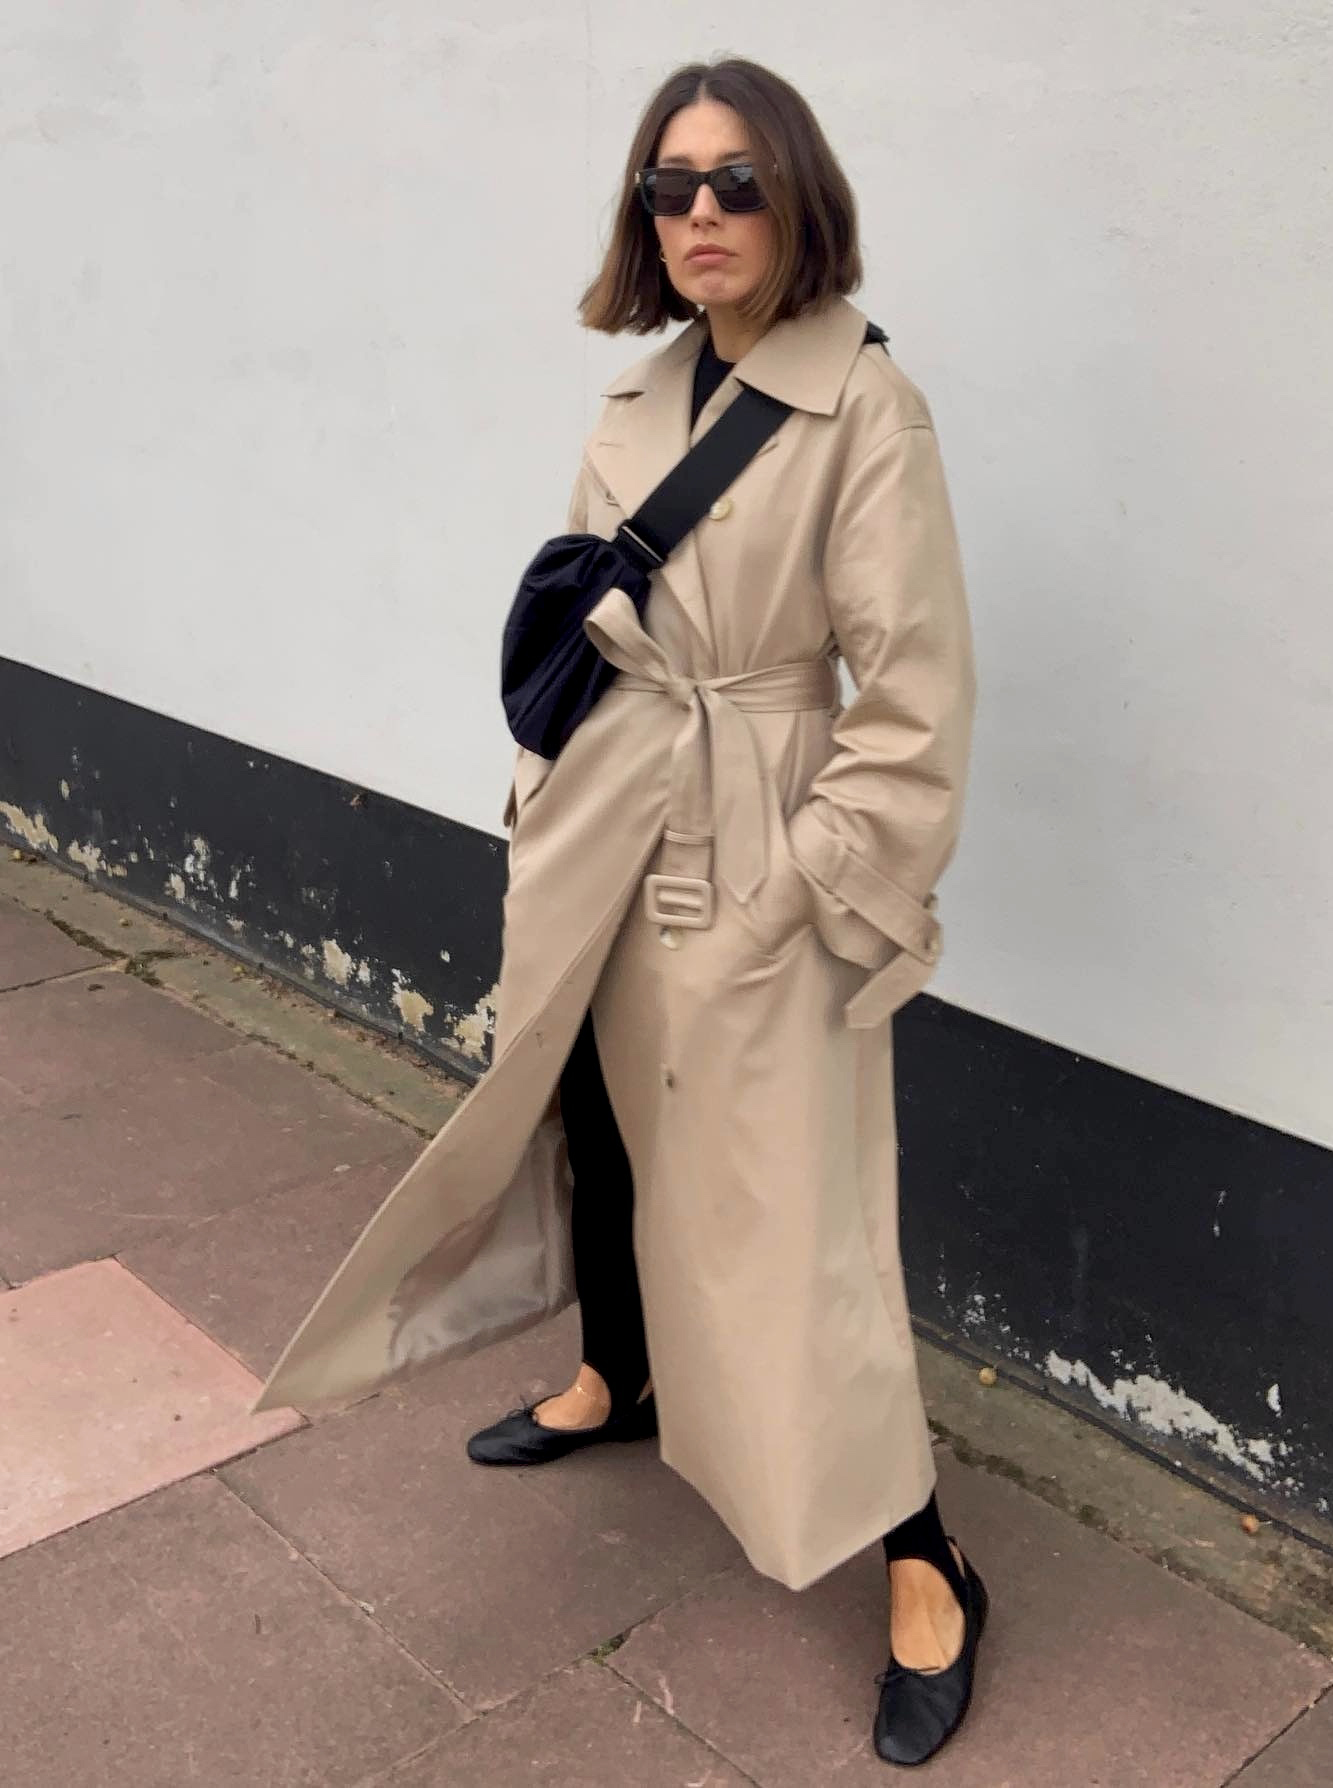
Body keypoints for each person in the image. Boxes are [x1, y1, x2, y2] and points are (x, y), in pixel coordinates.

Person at [462, 57, 984, 1768]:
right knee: (604, 1131)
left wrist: (812, 896)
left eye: (737, 181)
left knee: (805, 1220)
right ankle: (621, 1376)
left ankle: (926, 1554)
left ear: (798, 196)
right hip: (611, 818)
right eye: (670, 187)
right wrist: (545, 810)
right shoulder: (631, 407)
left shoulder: (867, 408)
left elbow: (912, 703)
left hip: (757, 839)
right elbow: (576, 613)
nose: (700, 214)